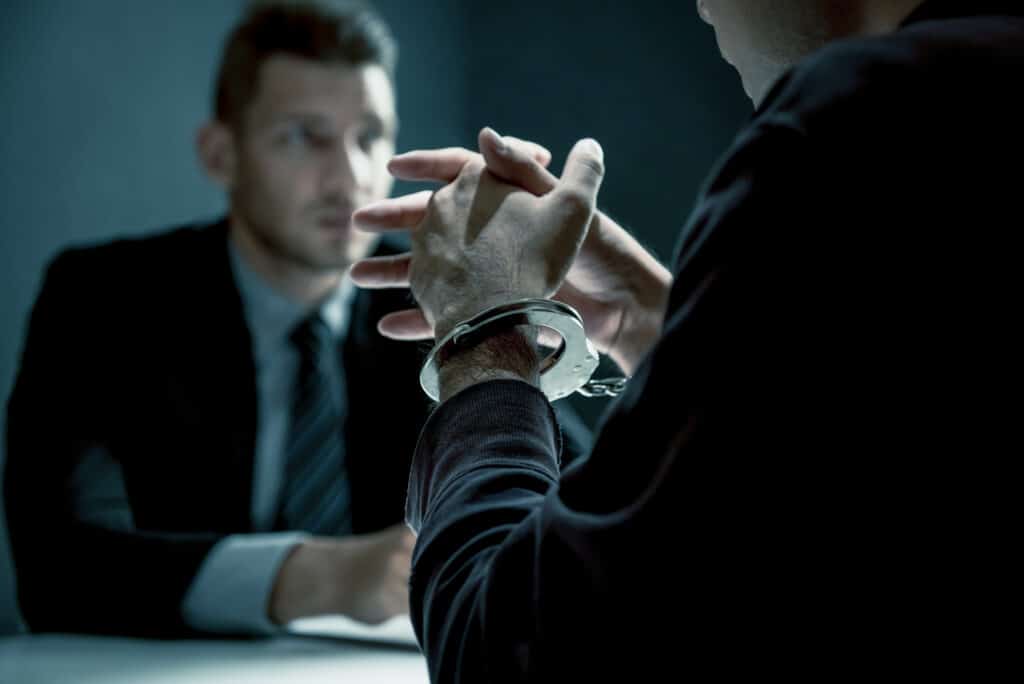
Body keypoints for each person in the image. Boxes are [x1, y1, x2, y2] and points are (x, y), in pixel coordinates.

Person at [349, 0, 1021, 679]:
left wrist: (483, 331)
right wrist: (649, 319)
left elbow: (505, 654)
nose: (698, 2)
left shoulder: (855, 114)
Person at [2, 0, 592, 639]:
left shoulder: (443, 301)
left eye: (370, 136)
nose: (350, 178)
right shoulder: (102, 301)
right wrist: (318, 576)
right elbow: (55, 568)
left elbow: (588, 508)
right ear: (220, 154)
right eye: (302, 136)